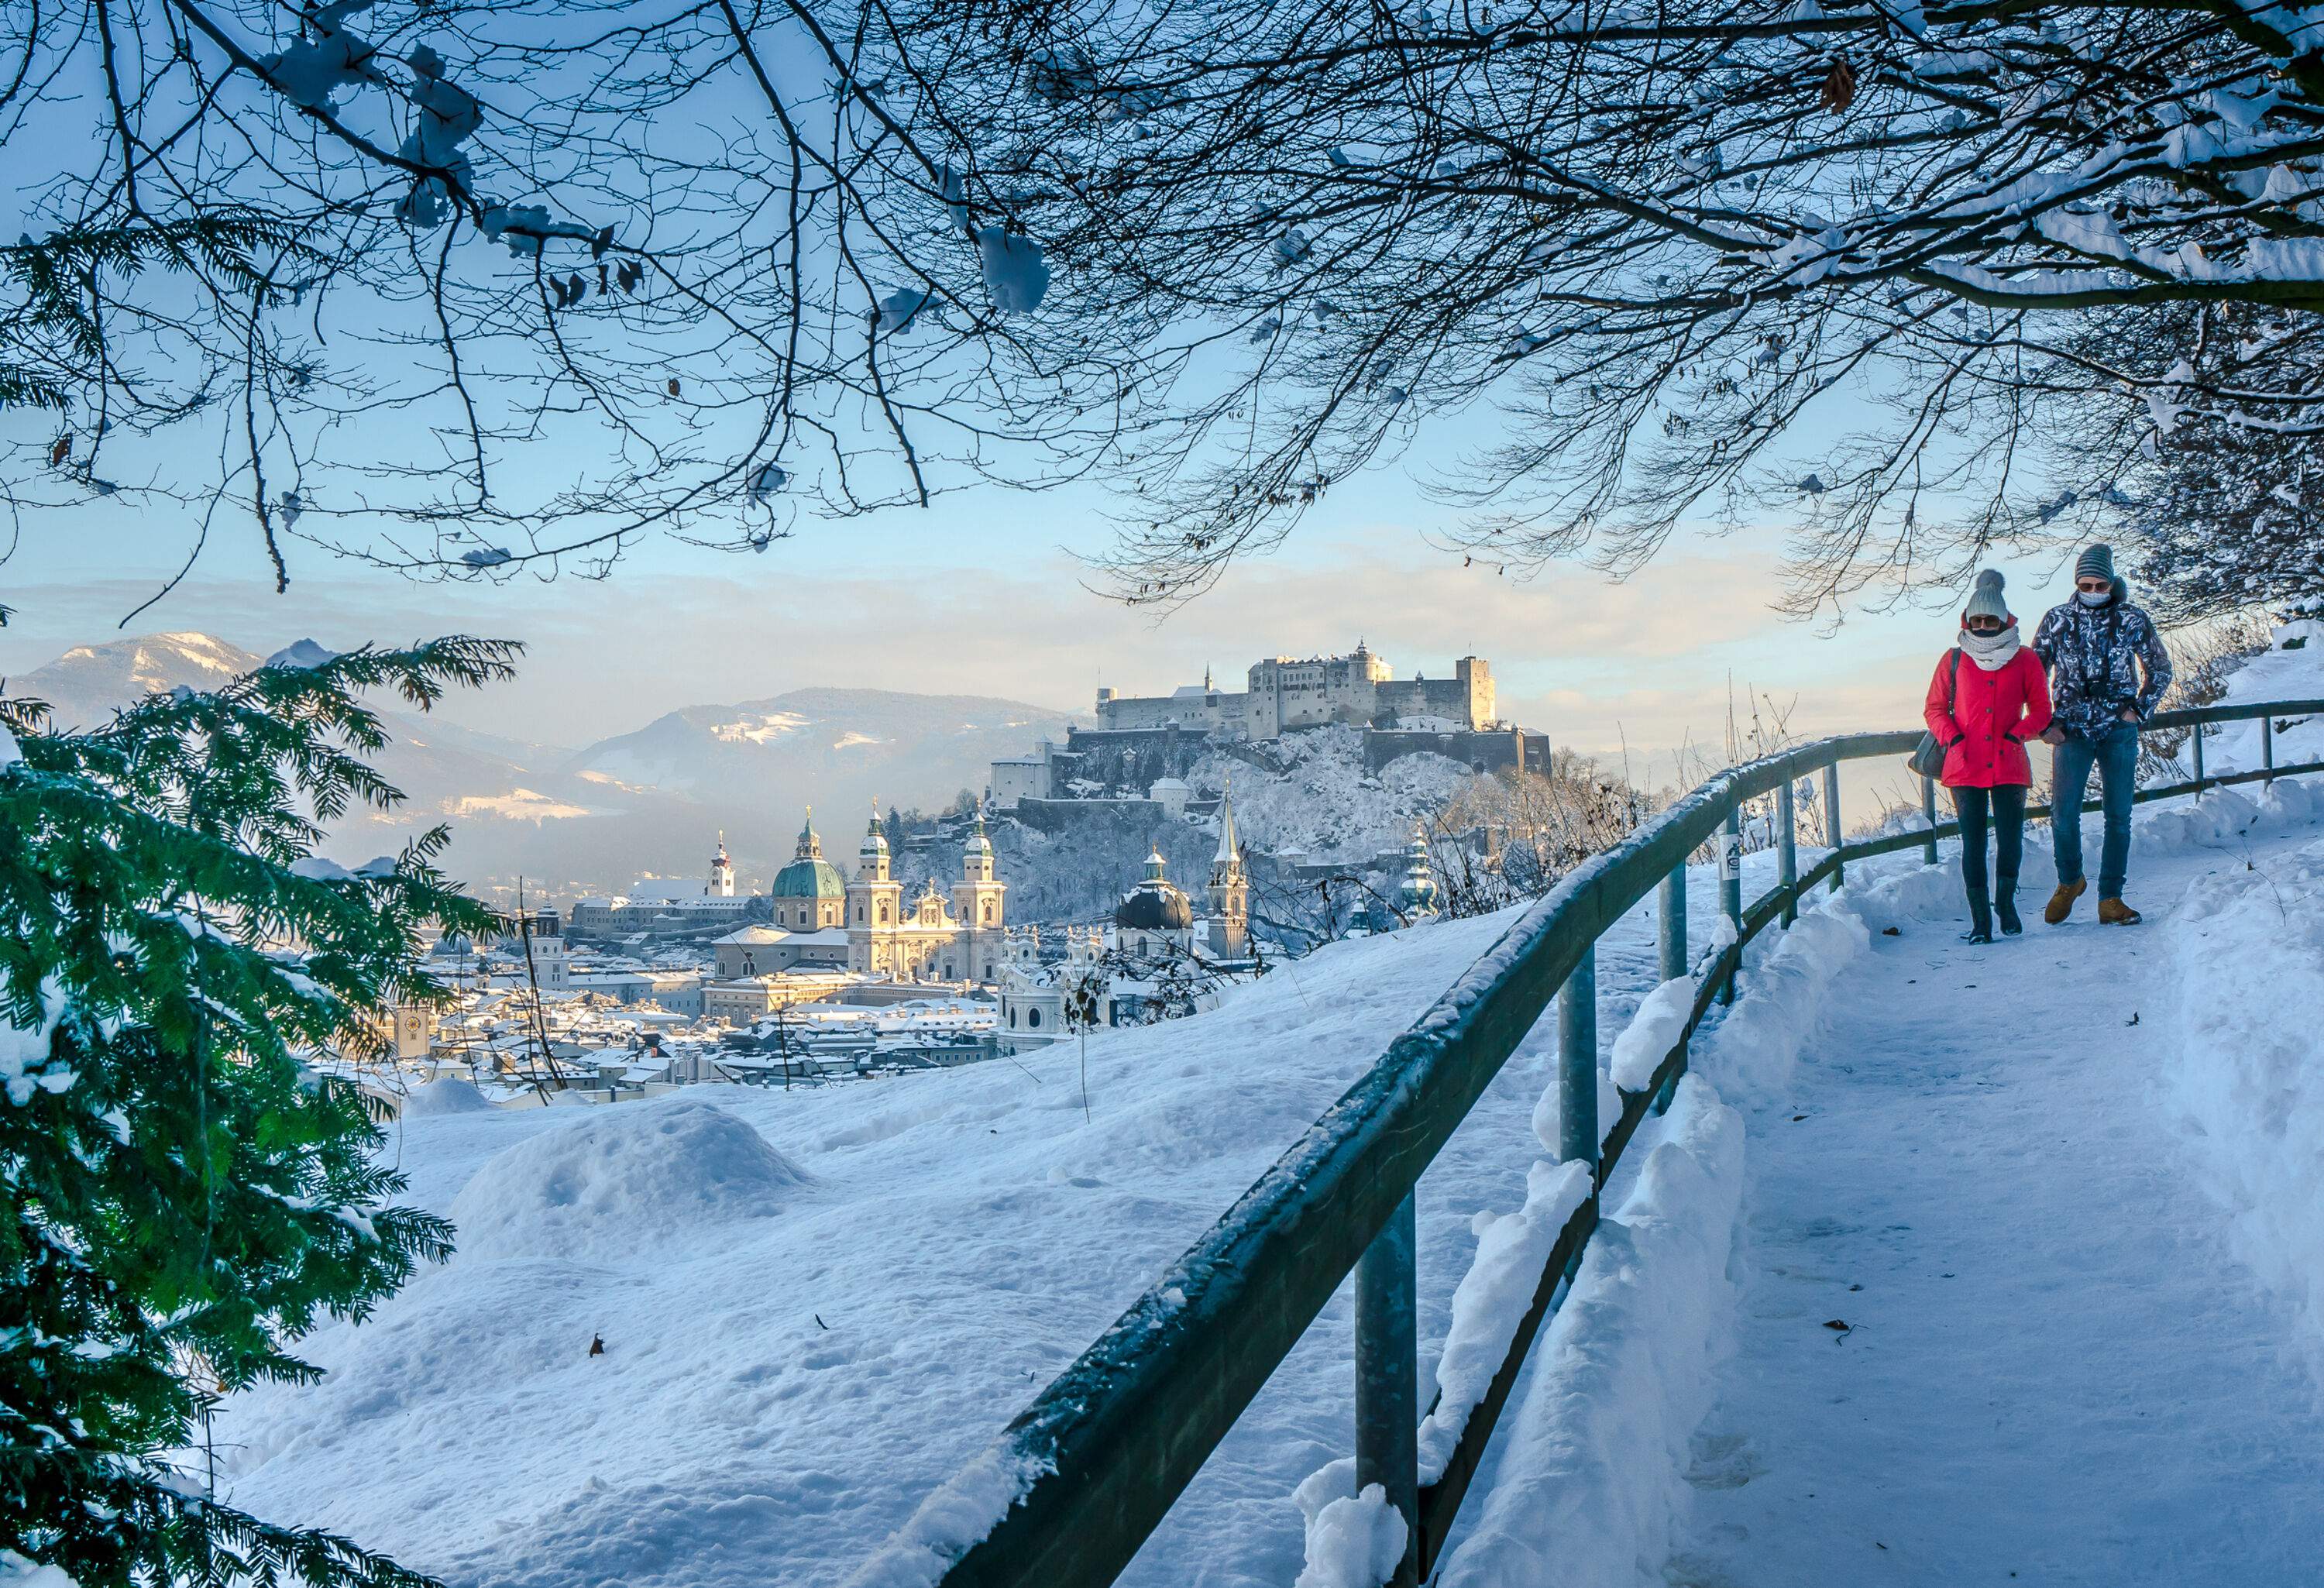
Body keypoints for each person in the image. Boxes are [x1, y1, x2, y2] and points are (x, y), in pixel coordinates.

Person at [2032, 544, 2173, 926]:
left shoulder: (2132, 618)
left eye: (2100, 585)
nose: (2093, 591)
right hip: (2072, 731)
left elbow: (2160, 668)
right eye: (2086, 584)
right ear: (2076, 584)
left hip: (2118, 730)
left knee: (2119, 816)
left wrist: (2139, 710)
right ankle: (2069, 880)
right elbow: (2033, 674)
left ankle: (2111, 898)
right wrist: (2045, 724)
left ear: (2111, 583)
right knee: (2063, 815)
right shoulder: (2057, 619)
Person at [1925, 569, 2052, 943]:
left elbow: (2043, 711)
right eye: (1976, 620)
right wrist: (1954, 739)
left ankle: (2006, 905)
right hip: (1965, 765)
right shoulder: (1953, 659)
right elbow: (1934, 709)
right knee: (1974, 843)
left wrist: (2020, 733)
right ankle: (1980, 921)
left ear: (2004, 620)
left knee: (2011, 839)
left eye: (1990, 620)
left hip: (2010, 762)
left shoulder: (2026, 659)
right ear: (1967, 620)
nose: (1982, 626)